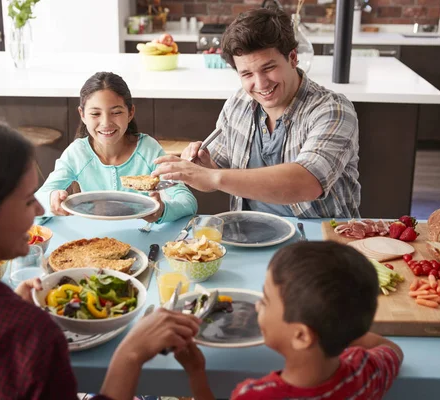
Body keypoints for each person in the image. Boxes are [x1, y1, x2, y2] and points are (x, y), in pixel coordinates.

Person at [0, 118, 201, 400]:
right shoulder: (29, 335)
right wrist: (131, 354)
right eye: (26, 200)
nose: (37, 209)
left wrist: (14, 311)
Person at [153, 8, 360, 218]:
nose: (260, 84)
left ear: (293, 58)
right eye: (247, 74)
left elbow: (308, 183)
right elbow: (215, 173)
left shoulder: (333, 110)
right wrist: (205, 167)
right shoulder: (239, 103)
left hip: (317, 242)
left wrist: (213, 177)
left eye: (269, 68)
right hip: (248, 235)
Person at [175, 241, 404, 400]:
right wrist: (341, 328)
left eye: (265, 300)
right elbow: (392, 349)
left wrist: (196, 374)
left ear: (302, 336)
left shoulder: (256, 394)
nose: (256, 305)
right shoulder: (365, 371)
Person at [36, 72, 197, 223]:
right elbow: (36, 201)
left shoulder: (148, 151)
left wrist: (162, 211)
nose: (106, 123)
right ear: (82, 115)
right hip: (92, 242)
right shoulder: (77, 154)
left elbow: (188, 202)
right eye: (95, 114)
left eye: (116, 112)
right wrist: (51, 199)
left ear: (130, 112)